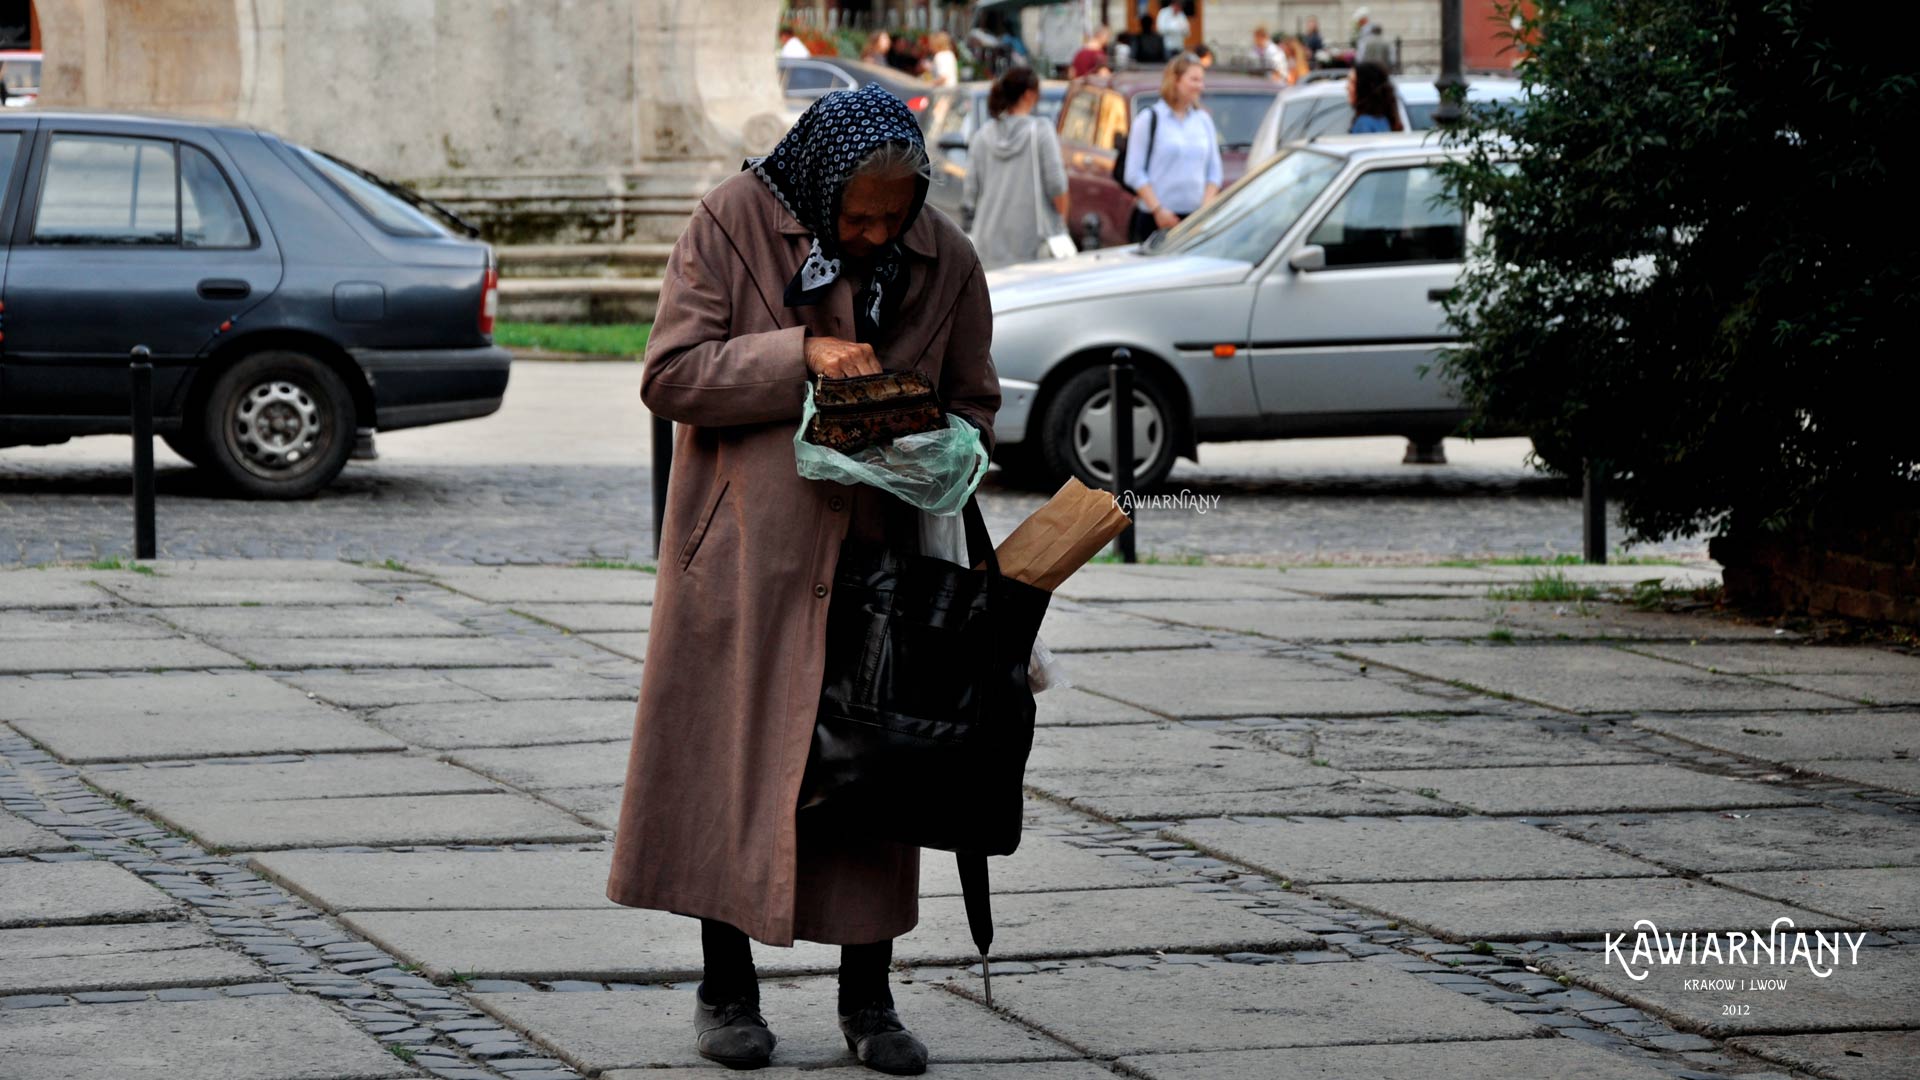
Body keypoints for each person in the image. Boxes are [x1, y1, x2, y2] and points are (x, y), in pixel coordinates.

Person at [607, 82, 1001, 1075]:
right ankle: (725, 991)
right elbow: (671, 373)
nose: (872, 232)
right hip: (746, 558)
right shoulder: (732, 222)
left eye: (892, 214)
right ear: (819, 184)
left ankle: (869, 1002)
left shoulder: (945, 259)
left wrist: (931, 439)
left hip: (883, 568)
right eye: (855, 213)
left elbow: (974, 406)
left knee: (877, 778)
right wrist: (803, 358)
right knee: (730, 775)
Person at [963, 67, 1069, 270]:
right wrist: (1060, 224)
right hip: (1033, 244)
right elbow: (1057, 186)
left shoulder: (982, 136)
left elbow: (969, 195)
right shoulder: (1041, 131)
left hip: (988, 245)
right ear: (1029, 94)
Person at [1122, 53, 1222, 244]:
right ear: (1176, 80)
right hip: (1156, 219)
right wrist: (1158, 210)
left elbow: (1214, 172)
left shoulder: (1203, 121)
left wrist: (1204, 210)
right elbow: (1134, 173)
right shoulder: (1150, 119)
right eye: (1194, 80)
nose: (1200, 86)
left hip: (1195, 220)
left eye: (1201, 80)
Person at [1347, 60, 1403, 133]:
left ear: (1364, 88)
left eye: (1352, 82)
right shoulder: (1383, 119)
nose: (1347, 87)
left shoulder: (1364, 124)